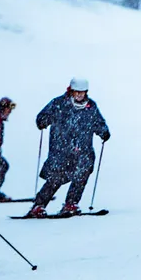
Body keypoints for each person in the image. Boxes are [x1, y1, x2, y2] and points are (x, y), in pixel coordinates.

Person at [25, 77, 110, 218]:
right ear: (70, 90)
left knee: (81, 175)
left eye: (82, 93)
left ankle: (71, 203)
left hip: (84, 150)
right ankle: (38, 206)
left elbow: (98, 122)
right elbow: (42, 117)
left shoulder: (91, 107)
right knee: (56, 178)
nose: (79, 95)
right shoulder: (59, 103)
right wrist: (43, 121)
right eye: (76, 92)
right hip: (61, 150)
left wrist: (104, 131)